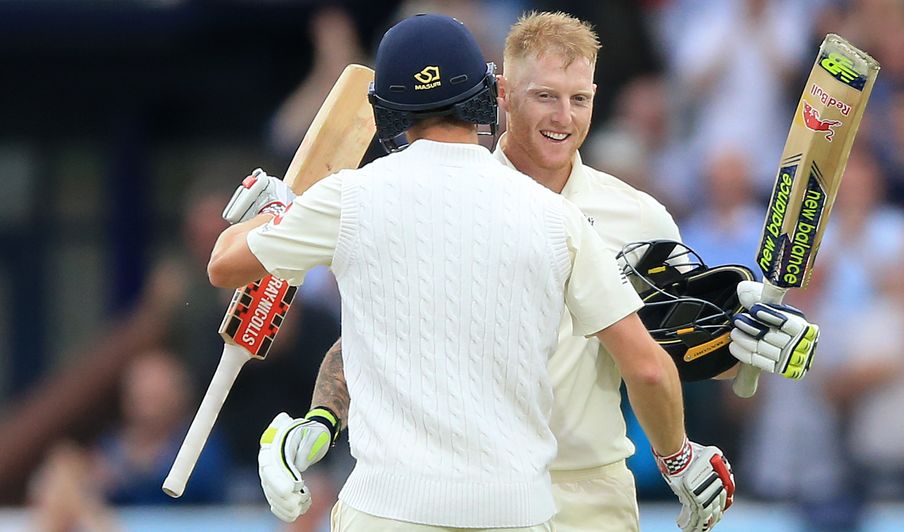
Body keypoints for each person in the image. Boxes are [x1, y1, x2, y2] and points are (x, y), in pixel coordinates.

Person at [235, 10, 819, 532]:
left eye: (580, 99)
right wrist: (321, 420)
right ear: (504, 95)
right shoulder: (436, 191)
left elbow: (662, 352)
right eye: (545, 96)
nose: (563, 117)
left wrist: (747, 341)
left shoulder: (640, 215)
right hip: (475, 491)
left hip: (591, 489)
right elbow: (378, 332)